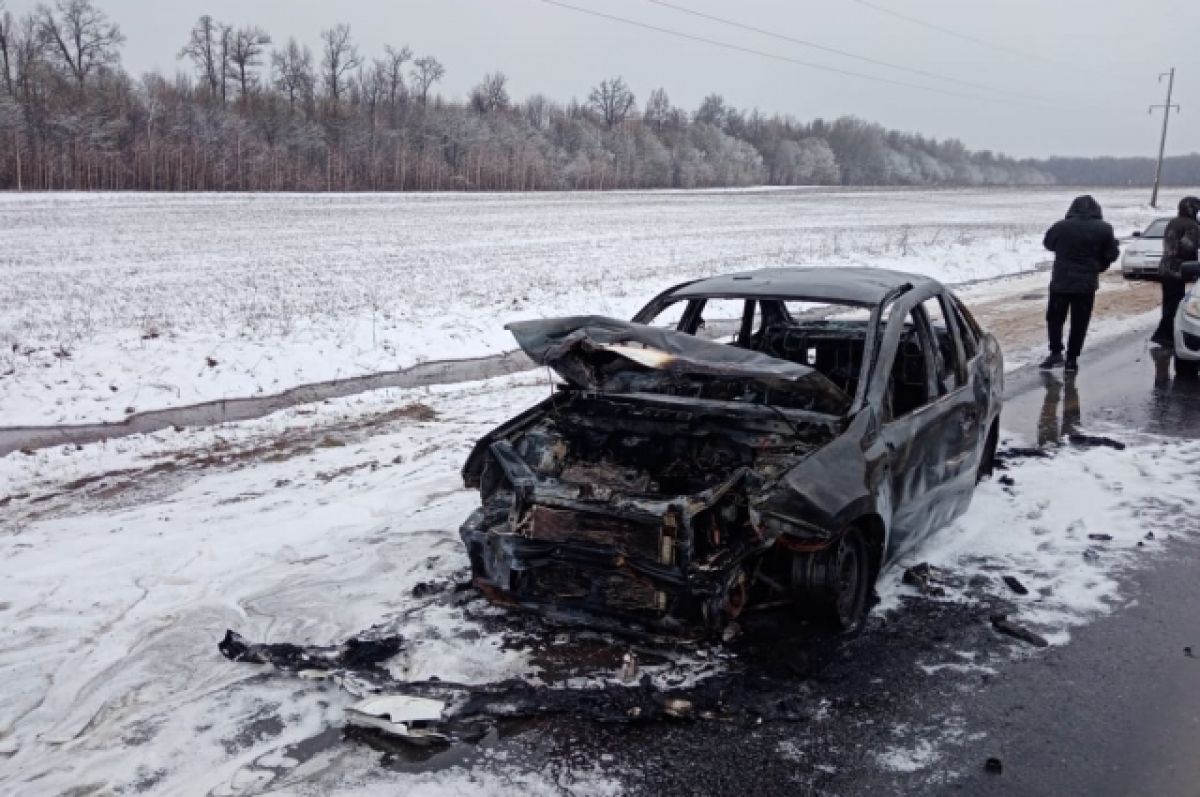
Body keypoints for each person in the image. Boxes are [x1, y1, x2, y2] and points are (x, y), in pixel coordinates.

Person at [1040, 195, 1120, 373]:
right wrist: (1099, 263)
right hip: (1086, 285)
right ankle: (1072, 359)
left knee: (1055, 319)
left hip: (1061, 282)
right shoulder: (1104, 229)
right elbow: (1112, 254)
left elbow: (1048, 244)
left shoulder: (1060, 226)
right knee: (1079, 322)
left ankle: (1055, 352)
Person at [1150, 196, 1200, 349]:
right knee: (1176, 305)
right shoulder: (1191, 226)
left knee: (1169, 303)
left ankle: (1165, 334)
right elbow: (1188, 247)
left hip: (1165, 267)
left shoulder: (1173, 222)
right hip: (1178, 269)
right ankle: (1165, 335)